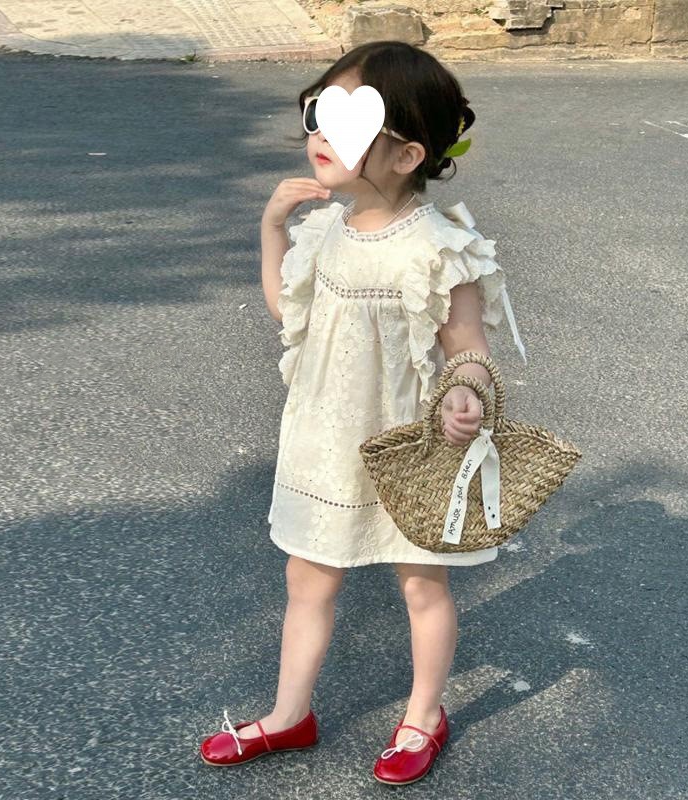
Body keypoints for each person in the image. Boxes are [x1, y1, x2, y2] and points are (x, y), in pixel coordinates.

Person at [199, 40, 527, 786]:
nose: (319, 133)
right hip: (325, 440)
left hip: (412, 444)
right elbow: (291, 315)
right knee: (307, 580)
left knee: (423, 584)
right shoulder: (325, 230)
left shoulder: (440, 248)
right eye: (318, 113)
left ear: (408, 155)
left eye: (346, 123)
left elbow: (468, 348)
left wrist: (467, 393)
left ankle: (423, 715)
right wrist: (272, 228)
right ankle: (289, 714)